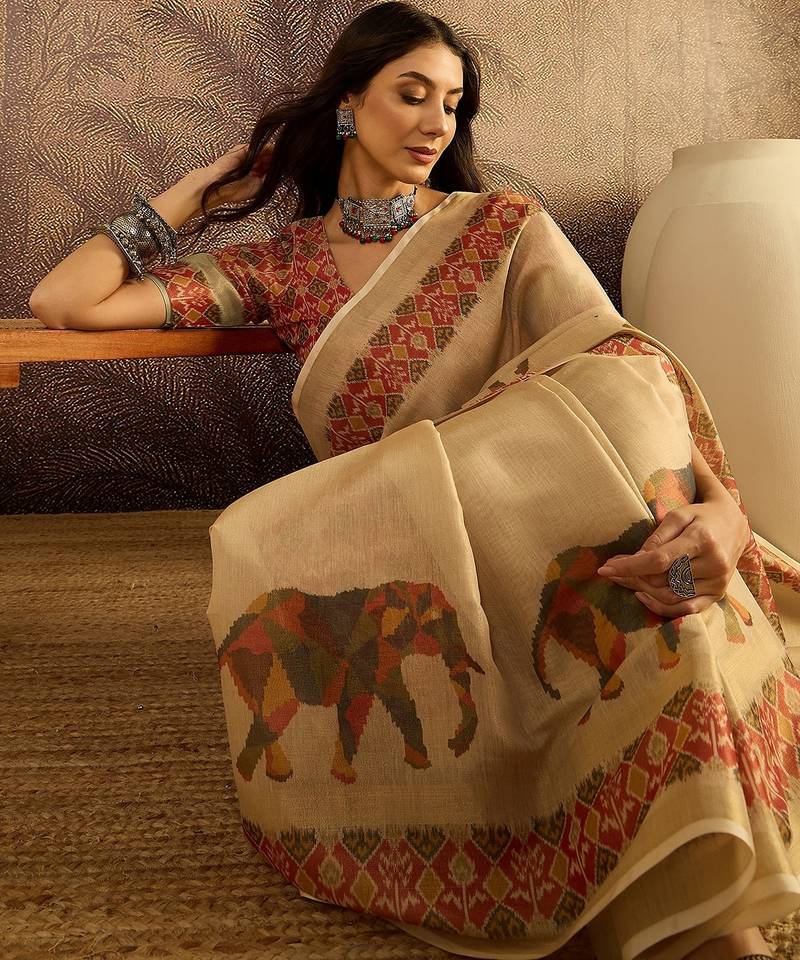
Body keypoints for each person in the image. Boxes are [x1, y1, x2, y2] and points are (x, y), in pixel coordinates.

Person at [28, 4, 800, 959]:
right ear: (348, 105)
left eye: (453, 103)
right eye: (411, 94)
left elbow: (629, 379)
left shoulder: (504, 229)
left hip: (543, 518)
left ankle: (710, 902)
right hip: (404, 541)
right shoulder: (282, 267)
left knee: (641, 526)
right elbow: (63, 301)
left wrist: (722, 514)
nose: (438, 122)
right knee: (261, 530)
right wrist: (198, 190)